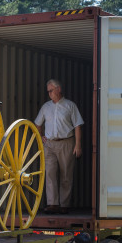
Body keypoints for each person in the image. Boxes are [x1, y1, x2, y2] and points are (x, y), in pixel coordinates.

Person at [35, 79, 84, 214]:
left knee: (66, 174)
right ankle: (52, 204)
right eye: (48, 92)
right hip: (49, 144)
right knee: (50, 173)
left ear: (59, 90)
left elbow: (77, 126)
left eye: (51, 90)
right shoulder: (46, 107)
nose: (49, 94)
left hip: (66, 143)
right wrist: (41, 137)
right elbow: (37, 124)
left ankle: (64, 204)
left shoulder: (70, 106)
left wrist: (78, 145)